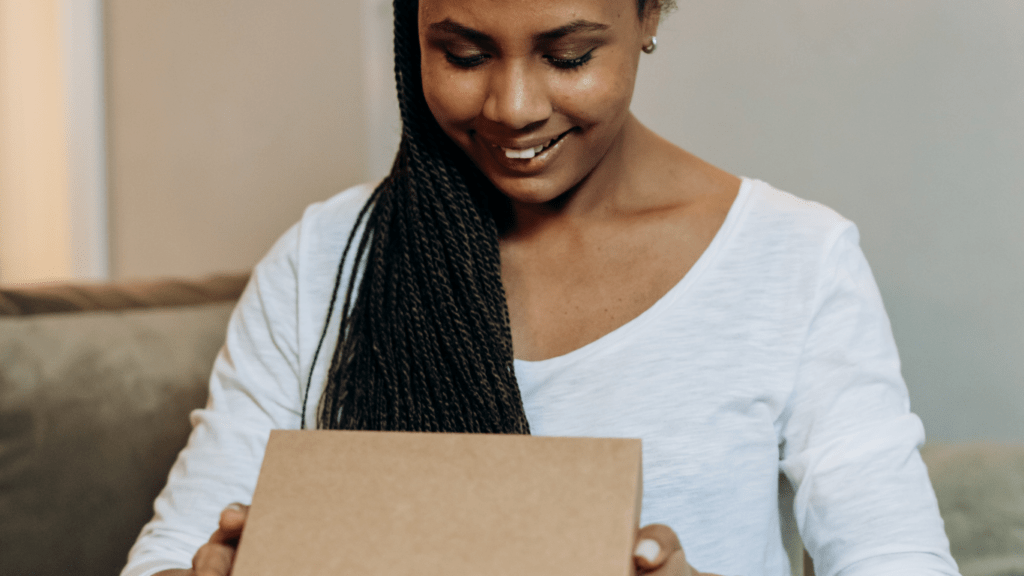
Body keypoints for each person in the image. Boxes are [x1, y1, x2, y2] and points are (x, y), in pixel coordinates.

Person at [122, 0, 961, 575]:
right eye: (462, 53)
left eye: (568, 55)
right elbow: (172, 550)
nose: (513, 107)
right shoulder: (328, 257)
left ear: (649, 14)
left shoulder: (794, 260)